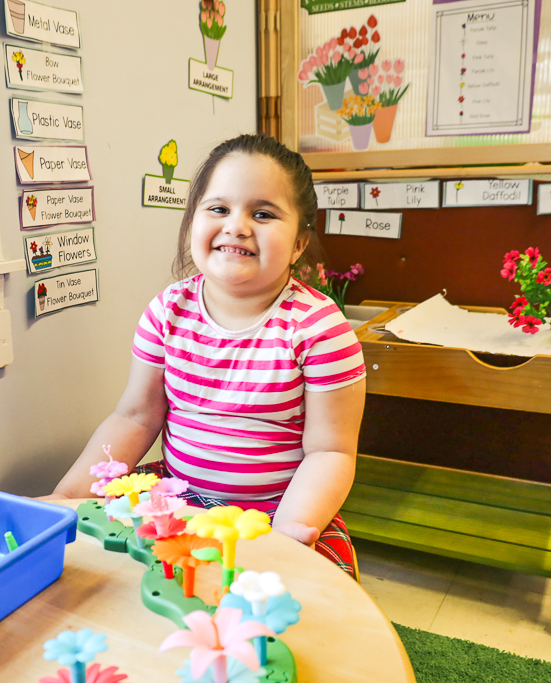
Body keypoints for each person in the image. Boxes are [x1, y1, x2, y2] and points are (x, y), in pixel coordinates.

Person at [45, 134, 366, 576]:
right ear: (192, 222)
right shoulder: (167, 311)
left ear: (298, 243)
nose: (237, 225)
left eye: (263, 213)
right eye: (218, 209)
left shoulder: (319, 328)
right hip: (179, 500)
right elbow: (136, 418)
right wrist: (68, 498)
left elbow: (330, 452)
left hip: (277, 514)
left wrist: (288, 533)